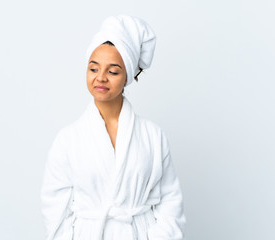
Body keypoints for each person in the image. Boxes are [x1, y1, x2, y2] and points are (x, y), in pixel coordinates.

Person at [40, 15, 186, 240]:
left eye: (113, 71)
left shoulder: (152, 136)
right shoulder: (68, 140)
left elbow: (171, 202)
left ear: (127, 75)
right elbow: (55, 211)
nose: (101, 78)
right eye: (93, 68)